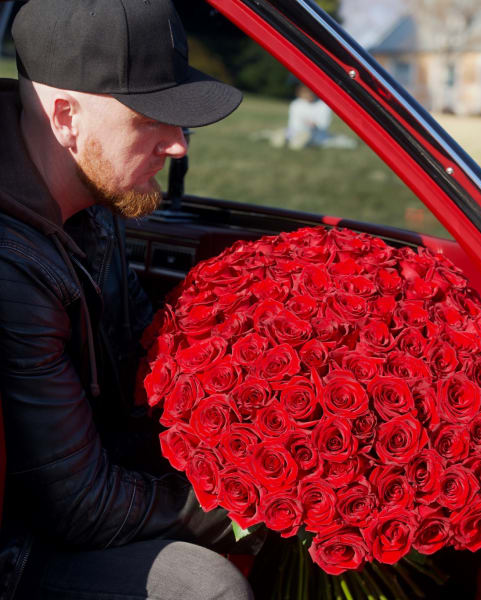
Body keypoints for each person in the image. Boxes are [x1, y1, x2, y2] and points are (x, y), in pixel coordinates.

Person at [0, 1, 260, 599]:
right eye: (152, 119)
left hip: (93, 466)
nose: (179, 146)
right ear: (66, 117)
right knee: (207, 590)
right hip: (21, 540)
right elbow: (79, 506)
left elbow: (146, 353)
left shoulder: (96, 193)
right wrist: (259, 505)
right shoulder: (12, 266)